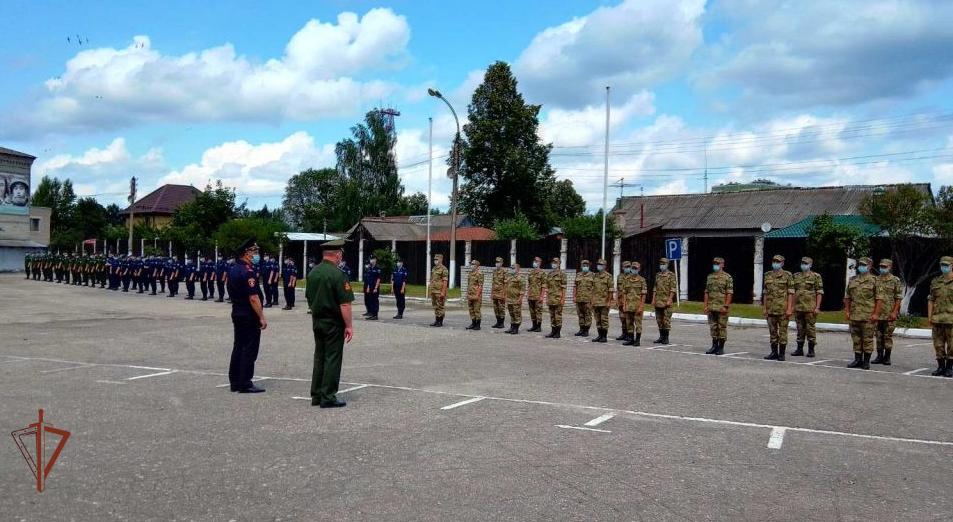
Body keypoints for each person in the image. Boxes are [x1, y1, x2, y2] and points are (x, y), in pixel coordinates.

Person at [306, 239, 354, 408]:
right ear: (337, 254)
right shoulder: (338, 274)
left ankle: (317, 394)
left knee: (319, 357)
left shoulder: (313, 273)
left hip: (317, 320)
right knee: (332, 358)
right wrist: (349, 325)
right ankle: (328, 396)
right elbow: (345, 304)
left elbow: (309, 298)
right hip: (333, 322)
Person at [227, 238, 267, 393]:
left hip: (237, 312)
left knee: (238, 346)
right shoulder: (247, 271)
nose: (256, 255)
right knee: (249, 349)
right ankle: (245, 382)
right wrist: (261, 317)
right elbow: (254, 297)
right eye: (254, 252)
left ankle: (235, 381)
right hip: (248, 315)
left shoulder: (234, 268)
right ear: (246, 253)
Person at [844, 257, 881, 369]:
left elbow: (879, 299)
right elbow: (847, 297)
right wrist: (847, 311)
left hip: (868, 315)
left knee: (867, 339)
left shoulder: (875, 280)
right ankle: (857, 359)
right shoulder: (853, 280)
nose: (861, 267)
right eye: (860, 264)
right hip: (855, 314)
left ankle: (866, 361)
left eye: (864, 265)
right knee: (856, 338)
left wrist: (876, 314)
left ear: (869, 266)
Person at [762, 254, 794, 361]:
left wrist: (790, 308)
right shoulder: (767, 275)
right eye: (774, 261)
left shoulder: (787, 275)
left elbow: (790, 293)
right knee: (772, 331)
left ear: (782, 263)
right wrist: (765, 308)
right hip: (771, 309)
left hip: (783, 309)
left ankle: (782, 354)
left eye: (778, 261)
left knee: (783, 332)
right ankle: (774, 352)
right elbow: (765, 293)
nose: (775, 263)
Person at [791, 256, 824, 357]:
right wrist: (792, 306)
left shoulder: (815, 276)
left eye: (806, 263)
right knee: (800, 328)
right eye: (802, 263)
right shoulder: (796, 276)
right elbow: (792, 292)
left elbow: (819, 292)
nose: (803, 265)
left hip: (810, 307)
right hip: (798, 307)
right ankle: (799, 349)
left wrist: (817, 307)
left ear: (810, 265)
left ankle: (811, 350)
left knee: (810, 329)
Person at [873, 259, 902, 365]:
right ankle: (879, 356)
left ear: (890, 267)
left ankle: (887, 357)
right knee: (878, 336)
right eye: (881, 266)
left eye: (885, 267)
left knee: (887, 336)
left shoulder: (895, 280)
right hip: (878, 313)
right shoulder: (876, 279)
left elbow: (898, 298)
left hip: (890, 313)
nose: (882, 268)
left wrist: (895, 312)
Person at [928, 256, 953, 377]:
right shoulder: (936, 281)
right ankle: (941, 367)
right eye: (942, 265)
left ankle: (949, 367)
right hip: (937, 318)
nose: (944, 267)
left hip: (951, 319)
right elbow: (931, 299)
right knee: (938, 344)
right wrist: (929, 316)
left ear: (952, 265)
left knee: (952, 345)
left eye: (946, 265)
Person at [704, 257, 733, 355]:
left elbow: (729, 293)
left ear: (722, 265)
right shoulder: (710, 277)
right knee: (713, 327)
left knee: (721, 327)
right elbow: (707, 292)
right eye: (714, 263)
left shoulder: (727, 277)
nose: (715, 265)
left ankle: (721, 347)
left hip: (721, 307)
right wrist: (705, 305)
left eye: (718, 263)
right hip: (712, 306)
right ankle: (714, 346)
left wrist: (726, 306)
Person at [622, 261, 647, 346]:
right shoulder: (627, 279)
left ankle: (637, 340)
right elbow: (625, 293)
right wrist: (624, 304)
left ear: (639, 269)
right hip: (628, 305)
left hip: (637, 306)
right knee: (629, 323)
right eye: (633, 268)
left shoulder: (642, 280)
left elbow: (643, 295)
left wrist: (641, 306)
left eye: (636, 268)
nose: (634, 269)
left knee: (638, 324)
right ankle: (631, 339)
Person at [653, 257, 677, 344]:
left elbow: (673, 289)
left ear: (667, 265)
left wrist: (670, 299)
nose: (662, 265)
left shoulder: (671, 275)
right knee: (659, 320)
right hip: (658, 301)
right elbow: (655, 287)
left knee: (666, 320)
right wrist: (653, 299)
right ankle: (661, 336)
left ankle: (666, 338)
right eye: (661, 264)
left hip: (666, 301)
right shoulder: (658, 275)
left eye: (664, 264)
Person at [590, 259, 614, 343]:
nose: (599, 266)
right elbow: (592, 289)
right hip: (596, 302)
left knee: (604, 320)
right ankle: (599, 335)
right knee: (597, 320)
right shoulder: (595, 276)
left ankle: (604, 337)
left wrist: (609, 301)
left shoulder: (608, 276)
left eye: (601, 264)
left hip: (604, 302)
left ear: (605, 266)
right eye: (598, 264)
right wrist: (592, 300)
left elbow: (611, 290)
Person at [544, 257, 566, 338]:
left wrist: (563, 299)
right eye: (553, 262)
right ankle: (553, 331)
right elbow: (547, 288)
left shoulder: (562, 274)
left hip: (558, 298)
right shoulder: (549, 274)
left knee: (558, 316)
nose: (554, 264)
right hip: (551, 298)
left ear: (559, 264)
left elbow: (564, 288)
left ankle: (558, 332)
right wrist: (546, 298)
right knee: (552, 316)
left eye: (556, 263)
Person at [574, 260, 594, 337]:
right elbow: (575, 287)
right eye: (583, 265)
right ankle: (581, 329)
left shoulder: (592, 275)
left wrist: (593, 299)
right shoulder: (578, 275)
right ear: (581, 266)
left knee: (588, 315)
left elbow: (594, 288)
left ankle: (586, 330)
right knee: (580, 315)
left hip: (588, 299)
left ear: (589, 266)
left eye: (586, 265)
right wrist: (574, 296)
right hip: (579, 298)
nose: (585, 266)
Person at [505, 262, 525, 334]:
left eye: (513, 268)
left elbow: (522, 290)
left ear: (518, 269)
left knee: (517, 314)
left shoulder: (520, 278)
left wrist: (520, 299)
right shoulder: (510, 277)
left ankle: (516, 328)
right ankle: (512, 327)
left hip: (516, 299)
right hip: (510, 299)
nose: (512, 269)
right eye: (511, 268)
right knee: (511, 313)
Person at [430, 254, 449, 327]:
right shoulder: (434, 268)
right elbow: (432, 279)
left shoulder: (444, 269)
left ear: (441, 259)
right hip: (433, 290)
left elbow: (445, 281)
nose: (435, 261)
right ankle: (436, 320)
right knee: (435, 306)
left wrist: (443, 292)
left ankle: (440, 321)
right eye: (434, 259)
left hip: (439, 291)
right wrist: (430, 290)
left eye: (437, 259)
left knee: (440, 306)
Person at [526, 257, 545, 332]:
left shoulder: (542, 273)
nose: (535, 262)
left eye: (536, 261)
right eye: (534, 261)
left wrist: (542, 296)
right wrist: (527, 294)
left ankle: (539, 327)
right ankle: (534, 326)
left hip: (538, 296)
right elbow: (529, 285)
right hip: (531, 295)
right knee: (532, 311)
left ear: (540, 262)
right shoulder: (531, 273)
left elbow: (543, 286)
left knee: (538, 311)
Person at [616, 261, 632, 341]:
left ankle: (630, 335)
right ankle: (624, 333)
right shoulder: (619, 277)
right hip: (621, 301)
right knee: (622, 318)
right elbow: (618, 289)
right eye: (626, 267)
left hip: (629, 302)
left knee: (629, 319)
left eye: (628, 267)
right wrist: (617, 300)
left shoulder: (633, 277)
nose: (627, 268)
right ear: (622, 268)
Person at [465, 259, 483, 330]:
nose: (471, 265)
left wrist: (477, 295)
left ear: (477, 266)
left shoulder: (480, 274)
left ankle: (478, 325)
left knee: (476, 310)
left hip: (476, 295)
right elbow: (469, 284)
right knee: (471, 309)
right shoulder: (470, 273)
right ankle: (473, 323)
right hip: (470, 294)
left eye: (473, 264)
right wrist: (467, 293)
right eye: (471, 264)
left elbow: (480, 286)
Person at [491, 257, 507, 329]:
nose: (497, 263)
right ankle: (498, 322)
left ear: (501, 263)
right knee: (496, 308)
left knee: (501, 308)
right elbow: (493, 283)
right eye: (496, 262)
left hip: (501, 293)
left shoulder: (504, 271)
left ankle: (502, 323)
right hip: (495, 293)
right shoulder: (494, 271)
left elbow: (506, 284)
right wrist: (491, 293)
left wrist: (504, 294)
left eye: (498, 262)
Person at [363, 255, 381, 320]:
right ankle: (372, 314)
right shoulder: (370, 268)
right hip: (370, 286)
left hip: (375, 287)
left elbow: (378, 279)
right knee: (371, 300)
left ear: (375, 260)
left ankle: (375, 315)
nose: (371, 260)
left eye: (373, 259)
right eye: (371, 259)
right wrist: (368, 287)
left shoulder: (377, 268)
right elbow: (368, 278)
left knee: (375, 301)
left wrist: (376, 288)